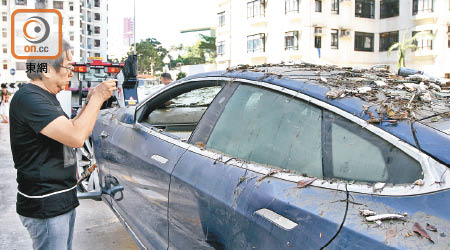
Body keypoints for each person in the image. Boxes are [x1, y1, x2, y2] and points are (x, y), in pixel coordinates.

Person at [9, 39, 116, 250]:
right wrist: (98, 99)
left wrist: (89, 102)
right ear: (47, 70)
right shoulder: (29, 98)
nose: (72, 73)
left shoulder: (47, 96)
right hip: (46, 203)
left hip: (60, 198)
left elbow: (70, 127)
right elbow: (76, 136)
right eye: (68, 67)